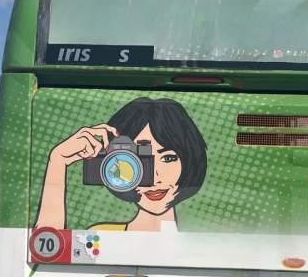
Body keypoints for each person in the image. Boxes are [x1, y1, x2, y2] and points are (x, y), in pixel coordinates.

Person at [36, 97, 207, 232]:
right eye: (139, 159)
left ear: (190, 159)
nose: (155, 176)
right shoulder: (100, 236)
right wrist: (57, 162)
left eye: (168, 159)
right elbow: (47, 252)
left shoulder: (203, 241)